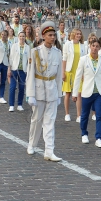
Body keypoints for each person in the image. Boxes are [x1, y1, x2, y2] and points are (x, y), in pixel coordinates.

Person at [26, 21, 63, 161]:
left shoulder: (58, 52)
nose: (53, 38)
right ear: (43, 36)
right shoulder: (35, 52)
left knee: (50, 121)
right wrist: (30, 94)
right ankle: (32, 144)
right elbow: (30, 74)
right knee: (36, 120)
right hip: (39, 90)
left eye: (54, 35)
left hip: (52, 90)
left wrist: (59, 94)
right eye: (50, 35)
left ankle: (49, 150)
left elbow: (59, 75)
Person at [73, 37, 101, 148]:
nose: (94, 48)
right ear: (90, 47)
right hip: (87, 91)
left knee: (100, 115)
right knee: (84, 114)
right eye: (93, 46)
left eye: (97, 46)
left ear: (99, 48)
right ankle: (84, 133)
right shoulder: (84, 59)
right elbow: (78, 76)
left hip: (99, 92)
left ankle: (98, 138)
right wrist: (75, 93)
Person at [62, 28, 86, 123]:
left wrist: (84, 73)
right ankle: (67, 113)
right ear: (73, 35)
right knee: (68, 93)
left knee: (79, 94)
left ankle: (78, 115)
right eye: (77, 34)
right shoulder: (67, 44)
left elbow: (85, 60)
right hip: (69, 71)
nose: (79, 35)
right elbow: (64, 59)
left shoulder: (83, 46)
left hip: (79, 73)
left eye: (80, 34)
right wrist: (63, 72)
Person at [7, 31, 28, 112]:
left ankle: (19, 104)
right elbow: (11, 58)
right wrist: (9, 69)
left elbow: (29, 60)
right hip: (14, 69)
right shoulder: (14, 46)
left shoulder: (27, 47)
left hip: (23, 70)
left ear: (25, 37)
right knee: (12, 87)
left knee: (22, 88)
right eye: (20, 36)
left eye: (23, 36)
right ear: (18, 37)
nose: (22, 38)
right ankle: (11, 105)